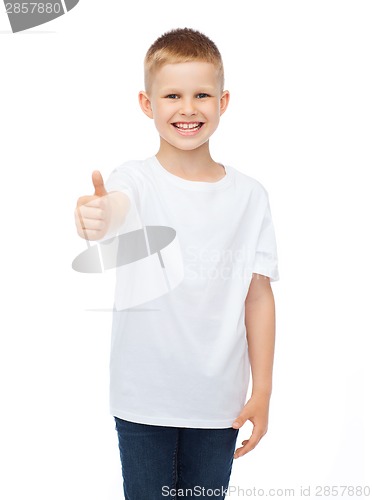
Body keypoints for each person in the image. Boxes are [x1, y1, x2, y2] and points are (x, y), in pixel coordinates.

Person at [74, 27, 279, 500]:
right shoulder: (136, 180)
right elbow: (112, 208)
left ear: (223, 101)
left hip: (219, 404)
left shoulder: (250, 196)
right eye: (173, 95)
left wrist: (263, 390)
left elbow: (259, 295)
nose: (188, 108)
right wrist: (95, 215)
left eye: (201, 94)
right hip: (143, 399)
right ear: (148, 105)